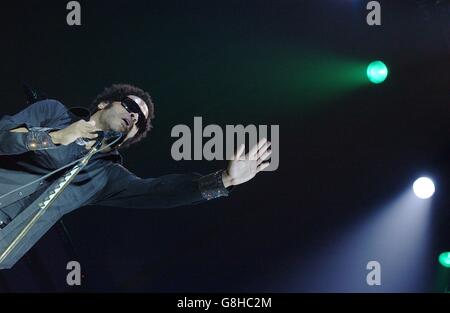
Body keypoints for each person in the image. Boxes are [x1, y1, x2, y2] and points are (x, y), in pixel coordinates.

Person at [0, 83, 271, 269]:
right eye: (130, 105)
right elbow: (3, 137)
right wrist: (55, 137)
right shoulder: (54, 113)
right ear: (105, 103)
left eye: (139, 121)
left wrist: (224, 180)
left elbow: (158, 192)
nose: (133, 116)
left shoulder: (105, 176)